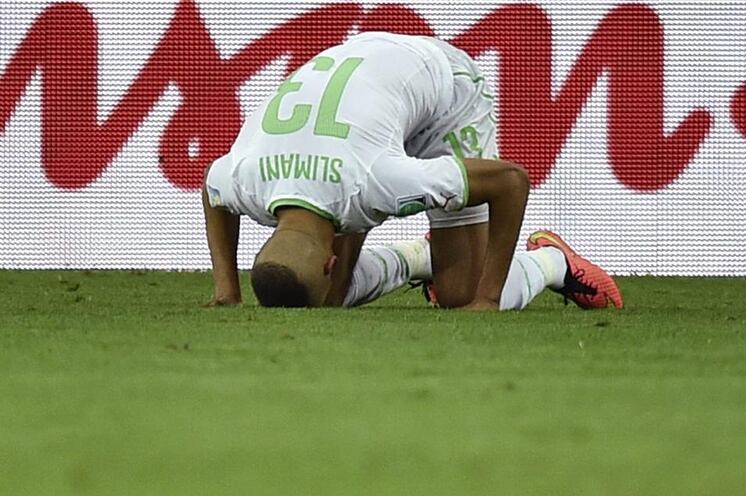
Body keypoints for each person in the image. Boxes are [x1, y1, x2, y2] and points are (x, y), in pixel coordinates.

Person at [203, 31, 622, 311]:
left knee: (461, 294)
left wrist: (488, 299)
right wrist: (228, 291)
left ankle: (553, 262)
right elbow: (211, 189)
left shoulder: (375, 183)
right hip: (367, 83)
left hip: (445, 88)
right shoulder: (244, 180)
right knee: (332, 299)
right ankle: (423, 255)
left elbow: (511, 181)